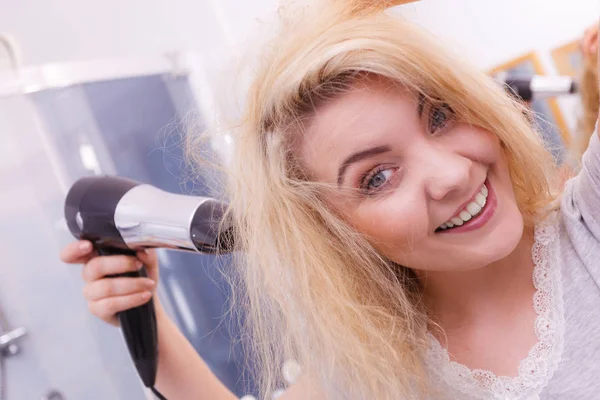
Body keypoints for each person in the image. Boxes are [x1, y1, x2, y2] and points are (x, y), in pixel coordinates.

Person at [60, 1, 600, 399]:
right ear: (333, 229)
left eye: (440, 115)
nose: (453, 175)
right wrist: (144, 310)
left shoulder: (590, 225)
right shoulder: (372, 367)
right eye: (378, 177)